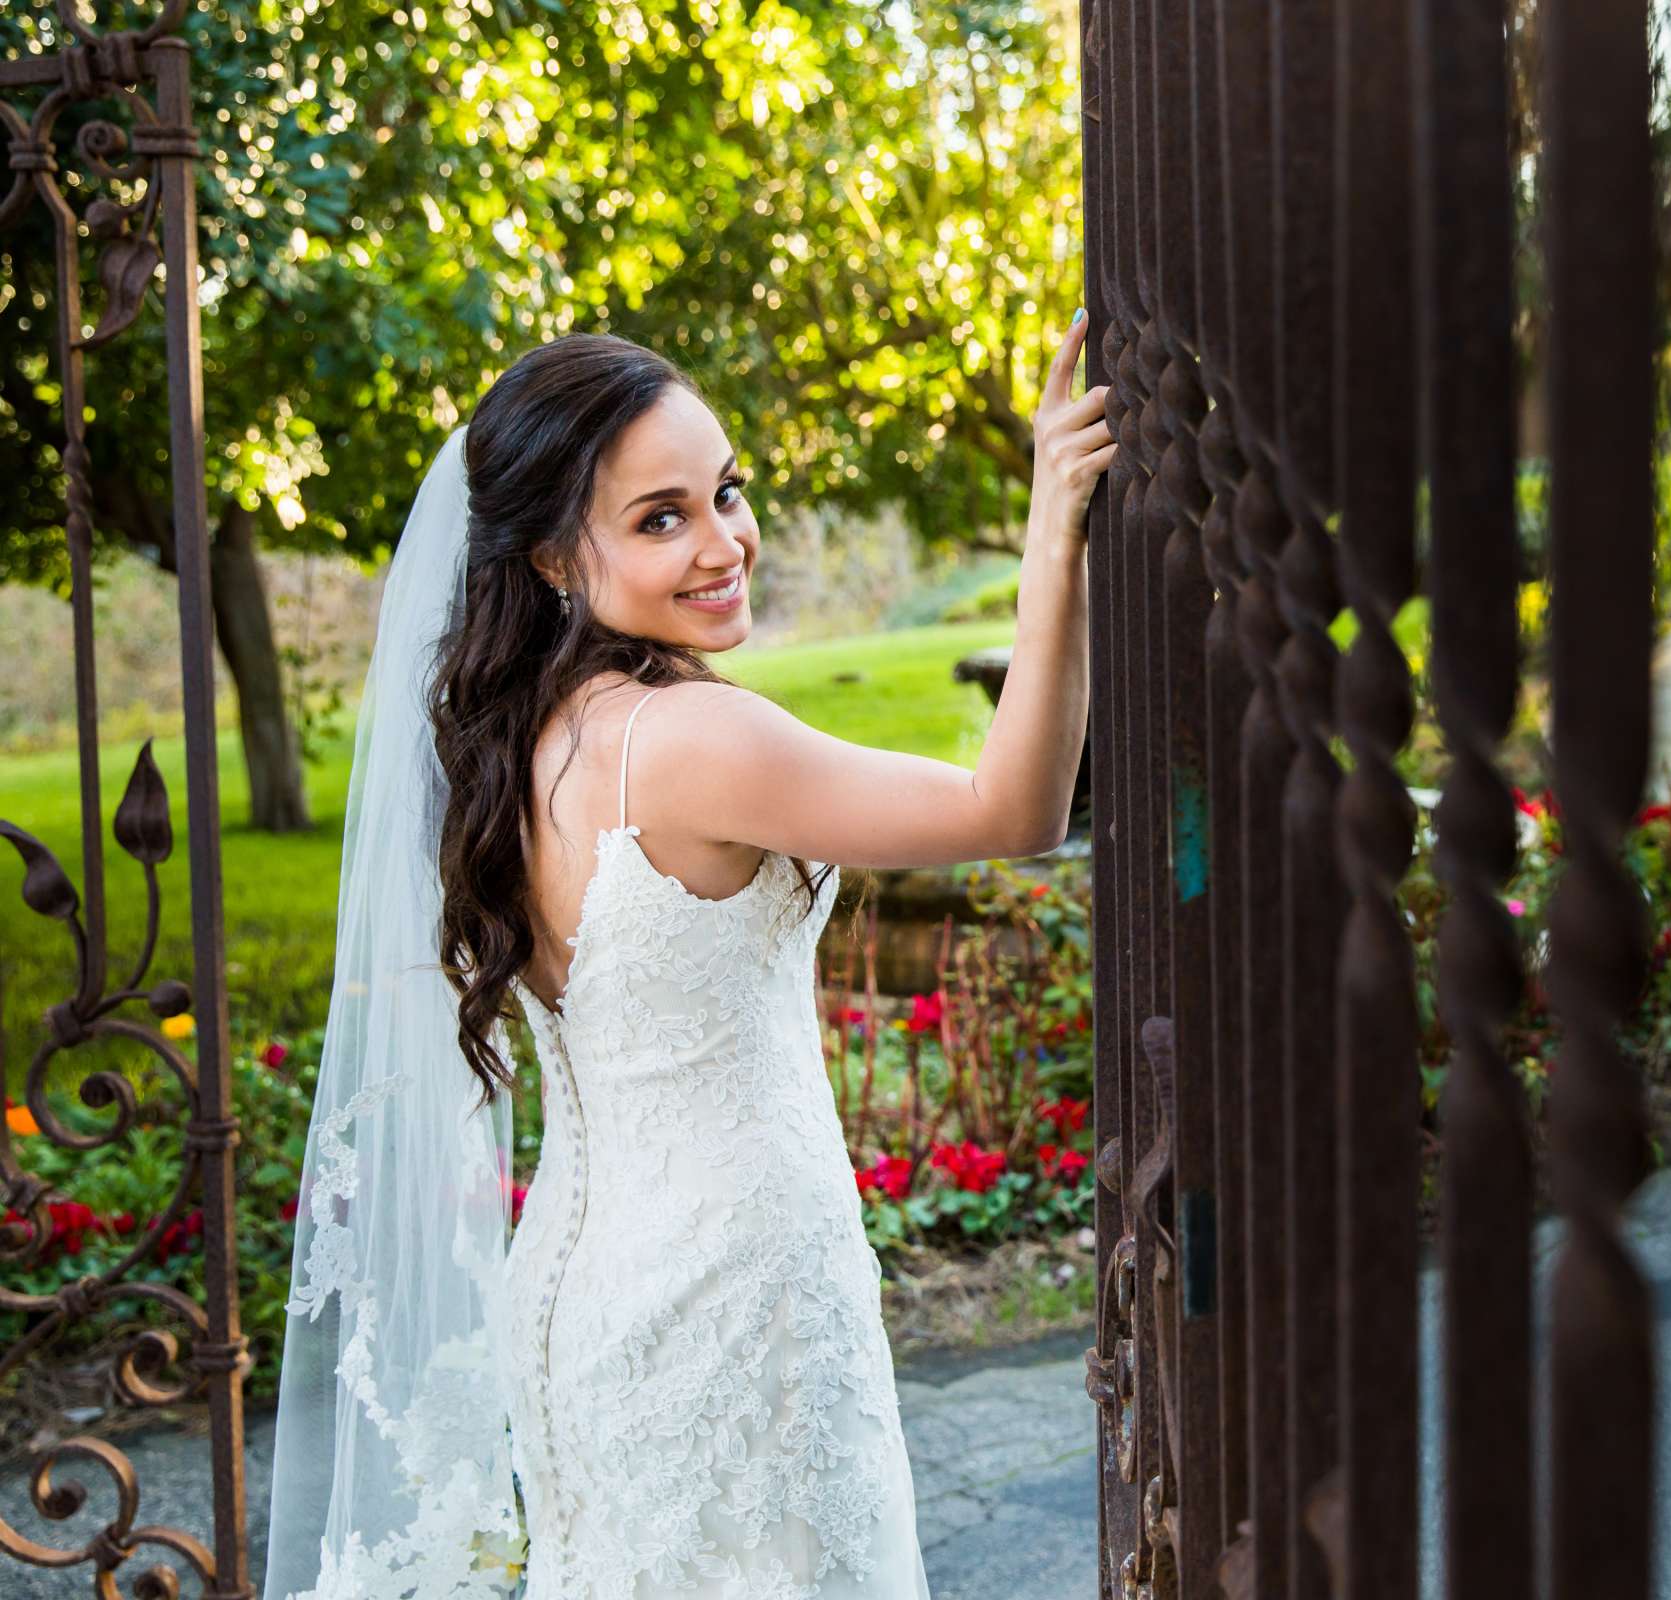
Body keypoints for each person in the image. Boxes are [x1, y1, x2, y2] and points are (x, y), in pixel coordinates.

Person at [262, 319, 1110, 1600]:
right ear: (552, 554)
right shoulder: (696, 741)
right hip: (740, 1296)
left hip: (574, 1293)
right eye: (660, 519)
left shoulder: (520, 747)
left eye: (725, 490)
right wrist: (1056, 528)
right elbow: (1015, 809)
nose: (723, 542)